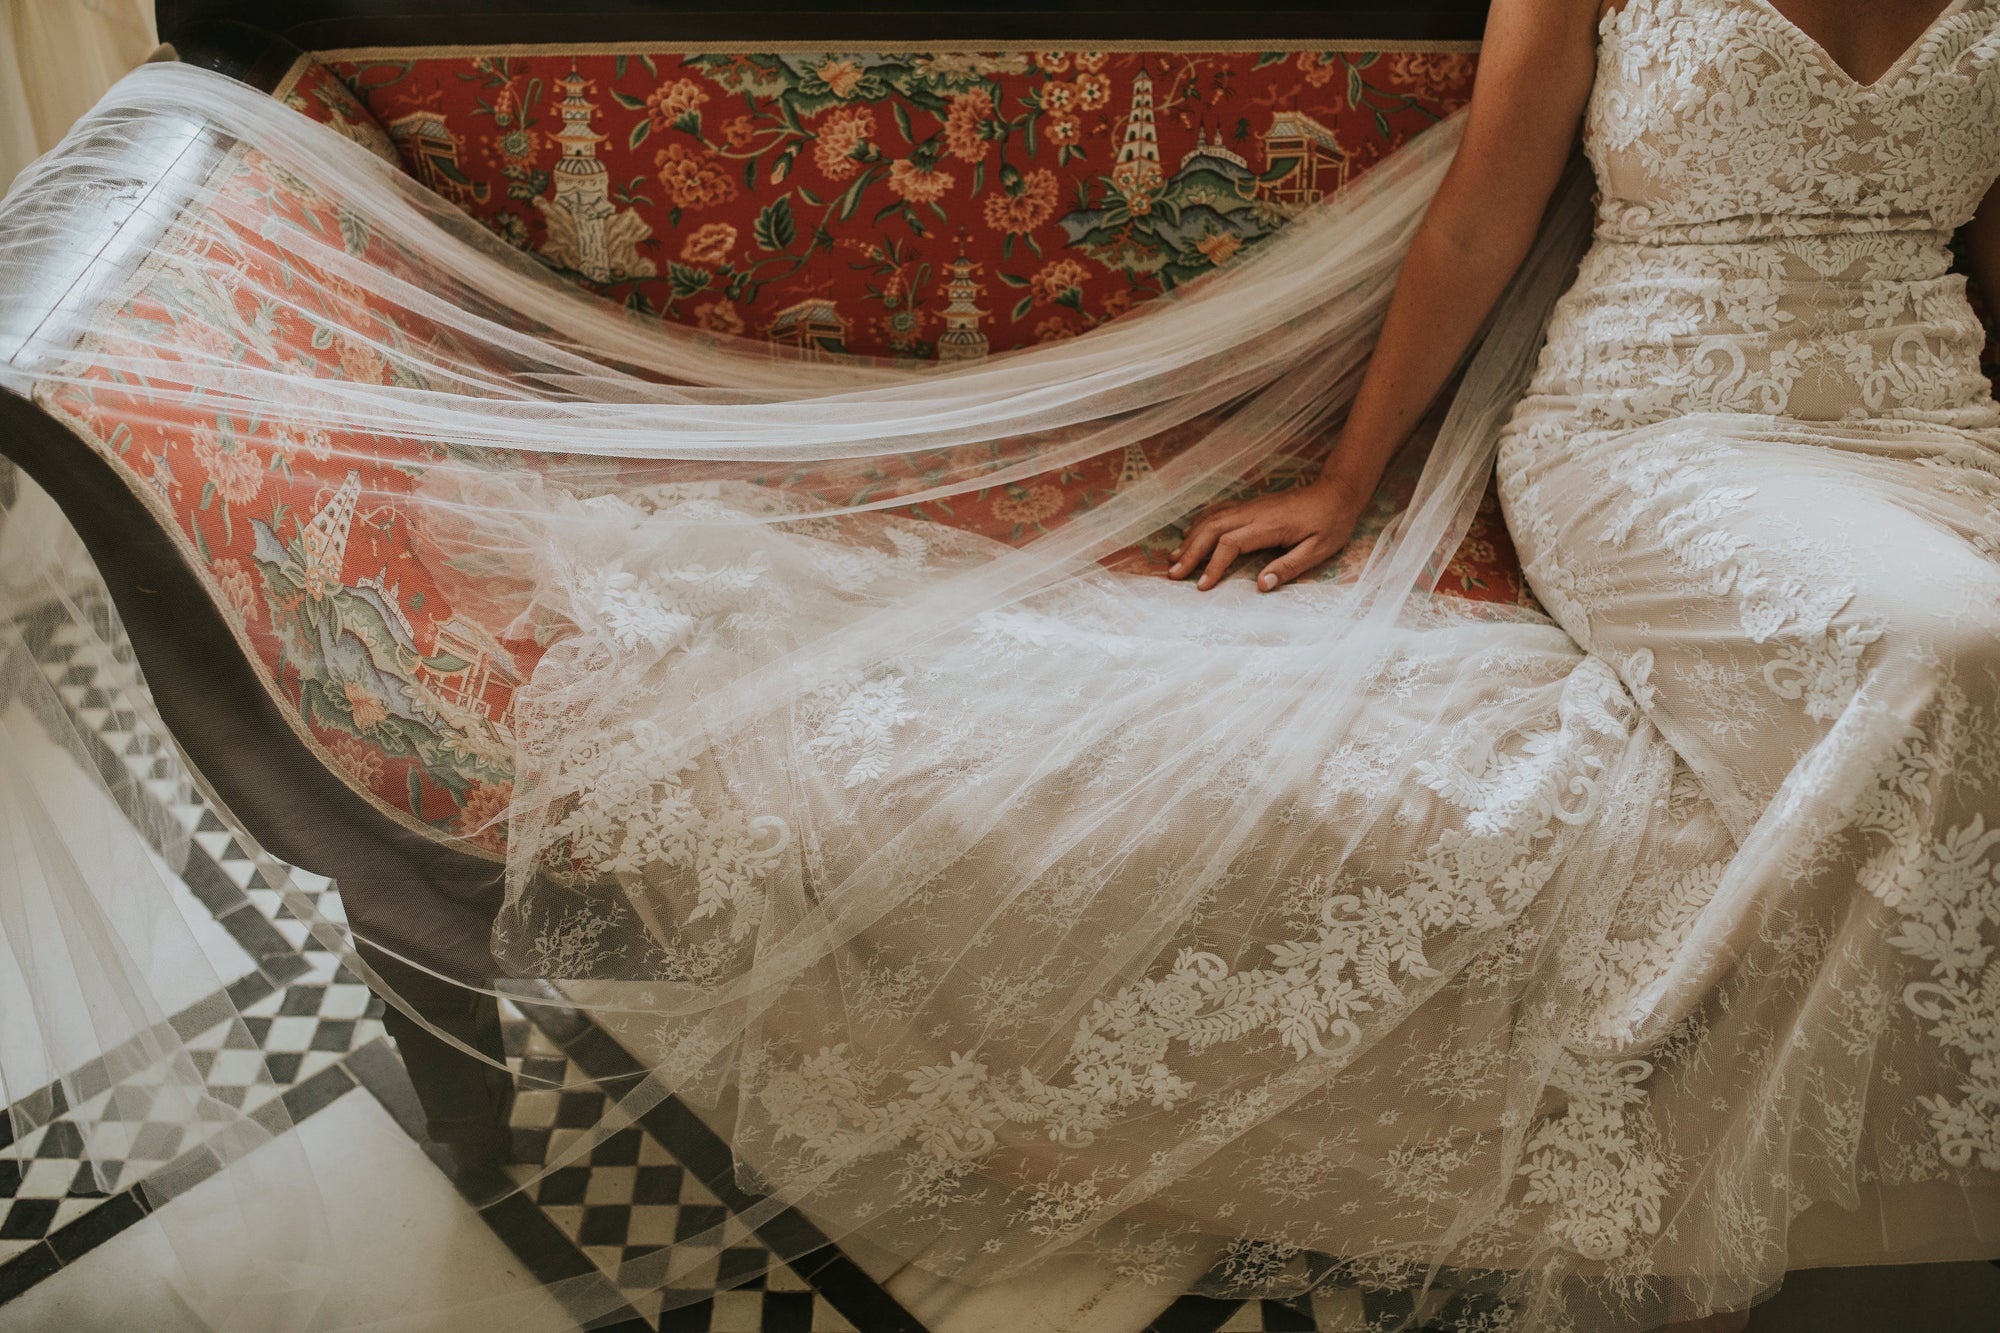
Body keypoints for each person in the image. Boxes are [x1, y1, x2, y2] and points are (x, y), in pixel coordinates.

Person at [2, 1, 1996, 1328]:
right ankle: (1828, 1156)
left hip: (1923, 423)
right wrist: (1349, 475)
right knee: (1952, 654)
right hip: (1658, 423)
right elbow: (1482, 211)